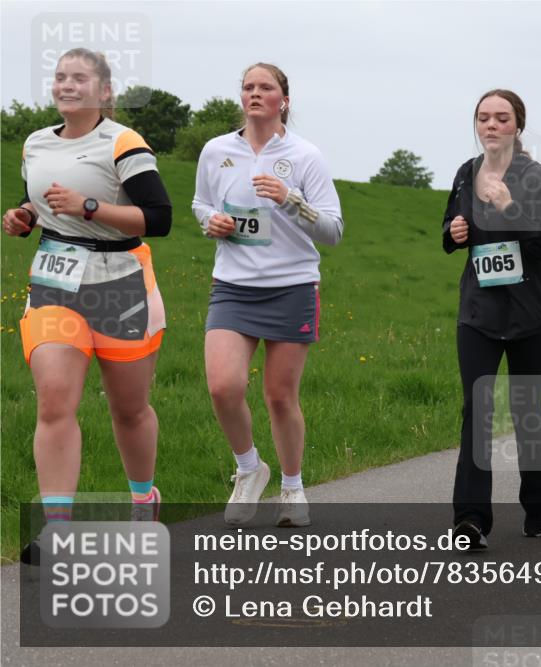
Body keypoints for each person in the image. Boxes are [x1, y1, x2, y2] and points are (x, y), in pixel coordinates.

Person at [3, 48, 173, 562]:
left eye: (80, 78)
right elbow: (38, 203)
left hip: (120, 281)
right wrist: (23, 217)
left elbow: (159, 218)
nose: (66, 85)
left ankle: (143, 500)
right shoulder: (35, 143)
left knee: (129, 408)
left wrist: (90, 207)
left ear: (104, 93)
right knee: (54, 400)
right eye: (59, 77)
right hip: (55, 279)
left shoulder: (122, 141)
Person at [192, 63, 344, 527]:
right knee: (223, 386)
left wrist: (288, 199)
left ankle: (293, 488)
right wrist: (210, 222)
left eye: (266, 88)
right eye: (248, 87)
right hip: (233, 286)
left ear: (285, 100)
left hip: (291, 286)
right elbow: (201, 202)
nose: (255, 94)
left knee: (280, 397)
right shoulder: (217, 150)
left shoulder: (304, 155)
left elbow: (333, 230)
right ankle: (248, 467)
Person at [443, 89, 541, 549]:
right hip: (478, 312)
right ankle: (470, 520)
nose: (491, 125)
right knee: (477, 410)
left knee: (526, 412)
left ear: (517, 126)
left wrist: (509, 207)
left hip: (529, 313)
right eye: (483, 118)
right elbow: (451, 230)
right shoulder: (465, 173)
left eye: (501, 118)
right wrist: (454, 233)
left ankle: (537, 506)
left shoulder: (534, 177)